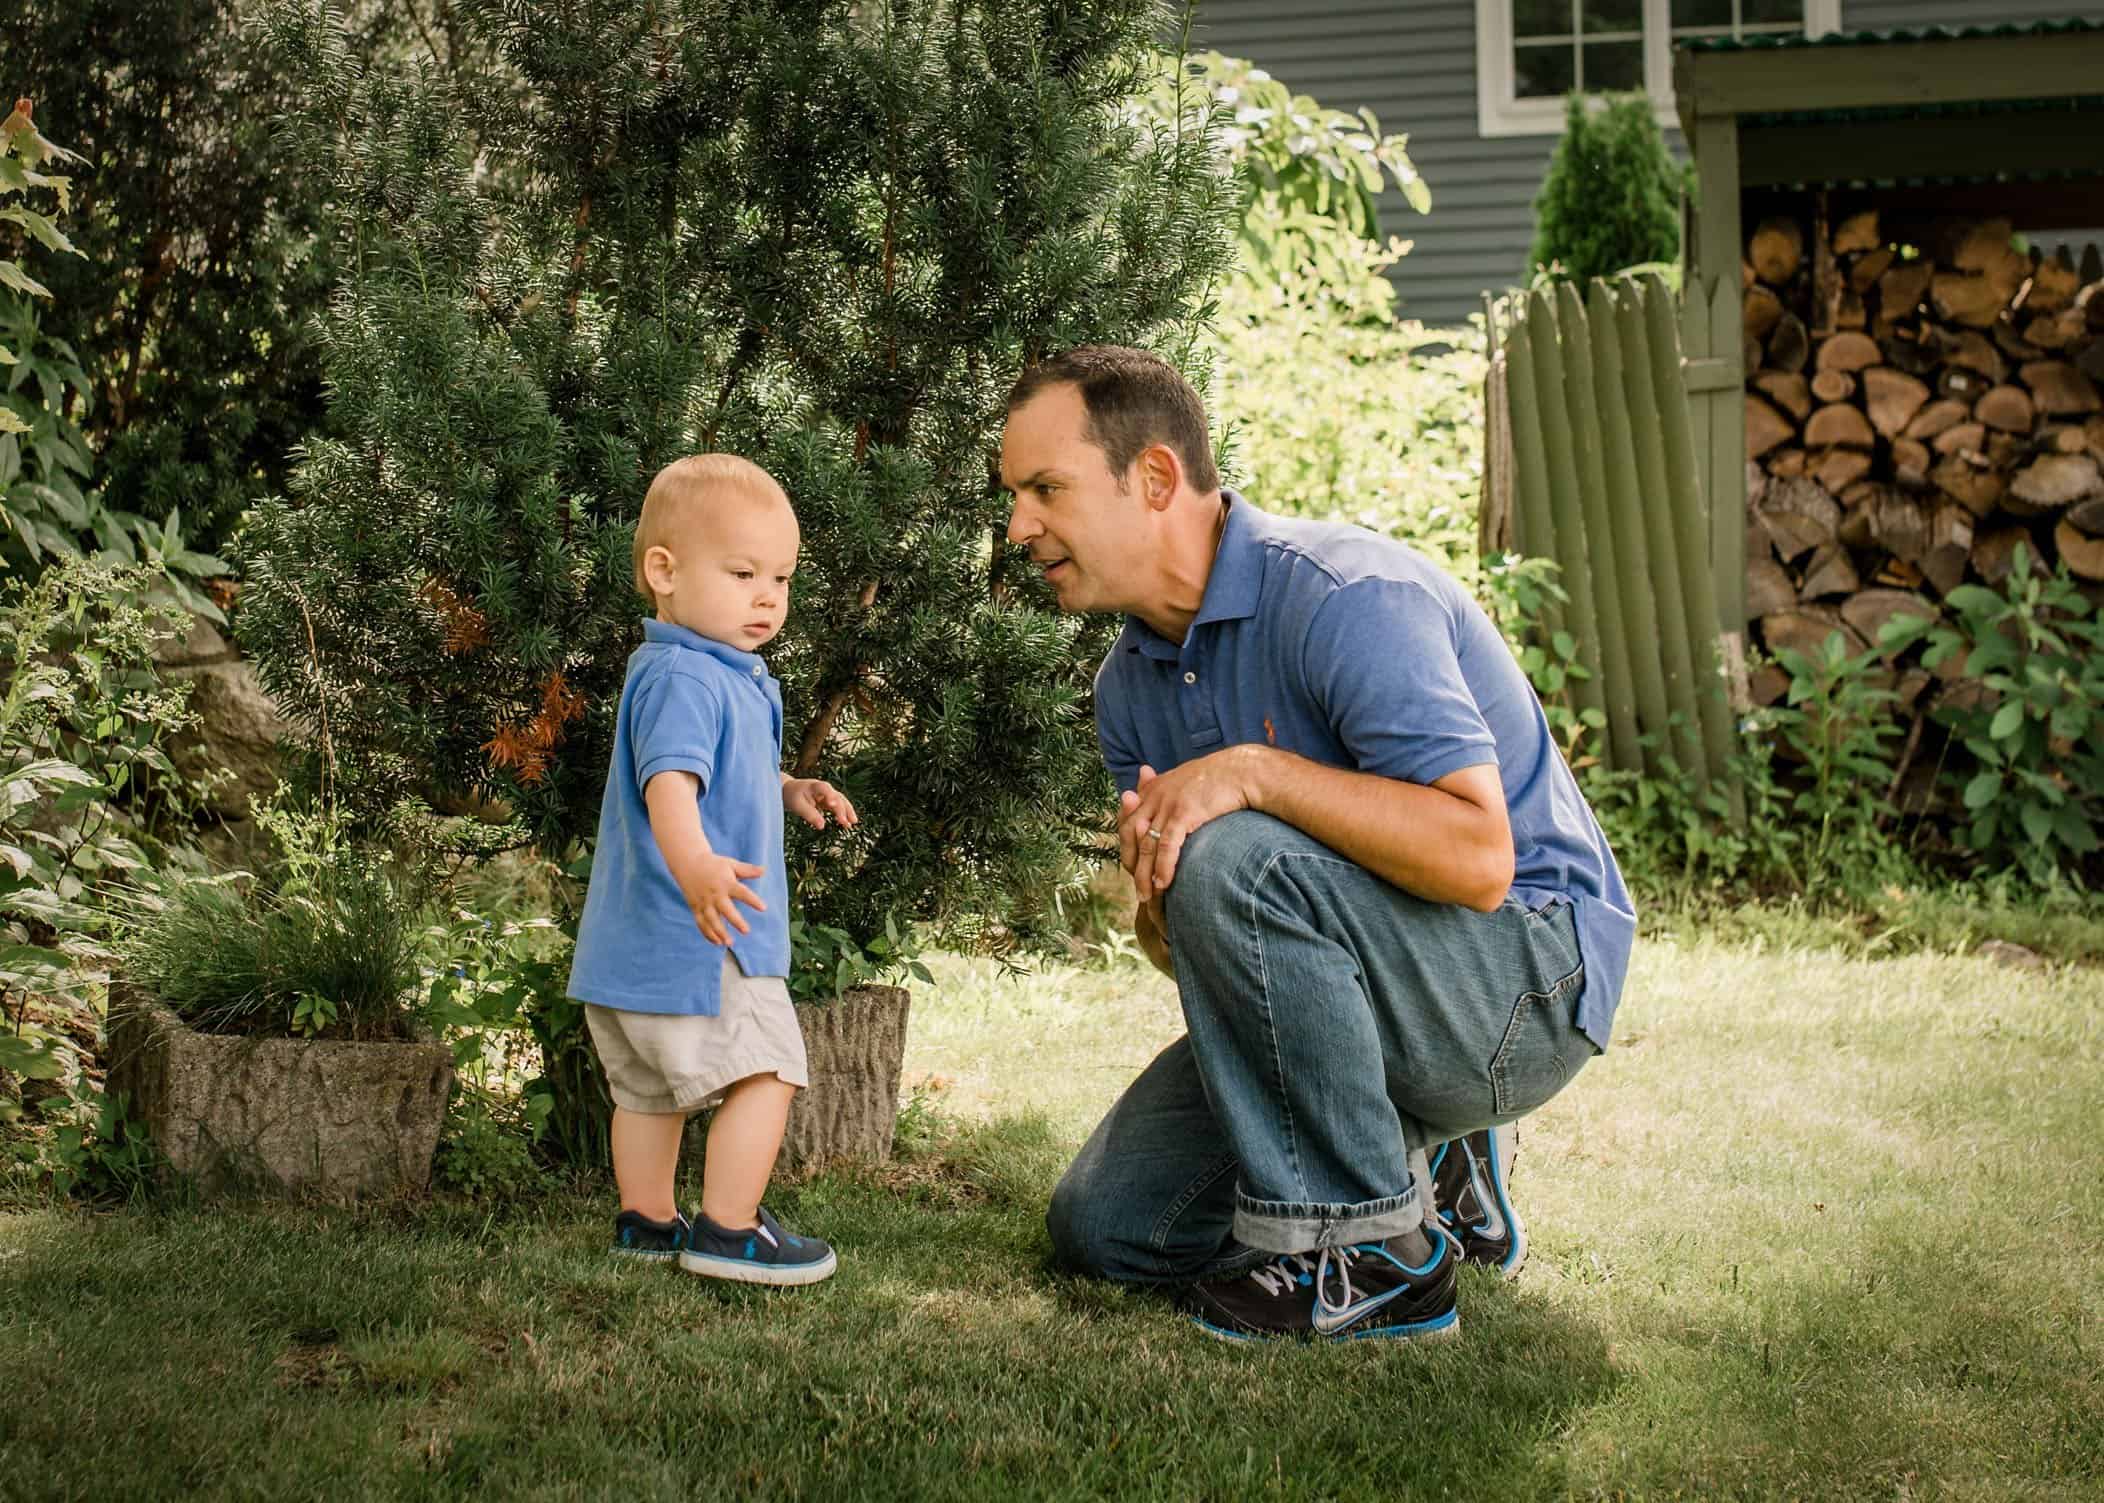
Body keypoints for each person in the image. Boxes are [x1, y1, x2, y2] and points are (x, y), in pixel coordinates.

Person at [1000, 346, 1635, 1342]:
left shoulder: (1347, 598)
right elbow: (1209, 950)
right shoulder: (1127, 688)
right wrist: (1163, 899)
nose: (1017, 527)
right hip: (1365, 999)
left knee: (1234, 852)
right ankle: (1424, 1157)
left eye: (1045, 489)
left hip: (1525, 985)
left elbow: (1479, 861)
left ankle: (1379, 1252)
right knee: (1109, 1230)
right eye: (1014, 497)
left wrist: (1254, 776)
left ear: (1155, 477)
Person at [567, 453, 858, 1285]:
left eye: (780, 578)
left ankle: (648, 1222)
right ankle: (729, 1229)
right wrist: (696, 867)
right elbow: (670, 785)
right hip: (704, 939)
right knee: (771, 1068)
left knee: (647, 1094)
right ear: (664, 572)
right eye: (742, 573)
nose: (767, 597)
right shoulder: (691, 676)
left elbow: (720, 770)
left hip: (631, 953)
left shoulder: (689, 672)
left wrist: (788, 787)